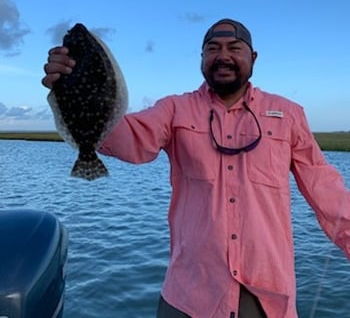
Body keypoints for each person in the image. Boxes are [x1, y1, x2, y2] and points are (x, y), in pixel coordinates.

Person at [42, 18, 350, 318]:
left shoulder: (289, 114)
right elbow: (129, 139)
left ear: (253, 57)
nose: (223, 56)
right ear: (202, 58)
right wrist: (67, 89)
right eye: (213, 48)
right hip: (190, 296)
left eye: (235, 48)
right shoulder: (174, 109)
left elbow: (325, 188)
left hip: (268, 298)